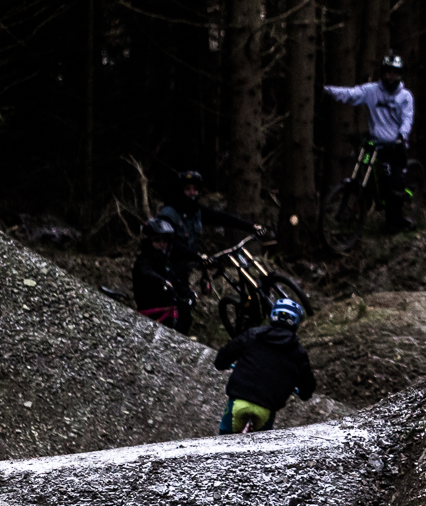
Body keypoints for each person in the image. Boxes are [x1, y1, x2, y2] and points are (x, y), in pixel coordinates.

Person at [324, 53, 417, 229]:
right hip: (376, 144)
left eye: (395, 73)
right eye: (388, 72)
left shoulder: (405, 96)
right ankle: (360, 206)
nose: (391, 76)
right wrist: (327, 90)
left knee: (394, 183)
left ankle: (396, 220)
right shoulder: (371, 91)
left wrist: (401, 136)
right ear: (383, 72)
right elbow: (350, 94)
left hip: (395, 147)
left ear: (400, 74)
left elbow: (407, 119)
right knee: (364, 167)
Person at [213, 298, 315, 434]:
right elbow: (308, 383)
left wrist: (222, 363)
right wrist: (304, 393)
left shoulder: (252, 334)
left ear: (273, 314)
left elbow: (224, 355)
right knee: (262, 443)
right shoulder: (298, 352)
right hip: (266, 408)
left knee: (224, 439)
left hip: (238, 402)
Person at [157, 170, 265, 280]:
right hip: (167, 270)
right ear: (181, 191)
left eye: (195, 189)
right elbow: (171, 244)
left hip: (186, 269)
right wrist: (197, 256)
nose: (192, 193)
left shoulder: (197, 211)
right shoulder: (169, 214)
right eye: (187, 189)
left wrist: (252, 227)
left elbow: (224, 218)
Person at [132, 217, 194, 335]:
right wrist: (161, 281)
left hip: (167, 310)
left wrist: (188, 294)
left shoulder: (164, 260)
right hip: (151, 311)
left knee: (185, 318)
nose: (162, 244)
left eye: (165, 240)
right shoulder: (144, 260)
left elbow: (173, 279)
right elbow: (145, 271)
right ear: (149, 241)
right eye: (157, 240)